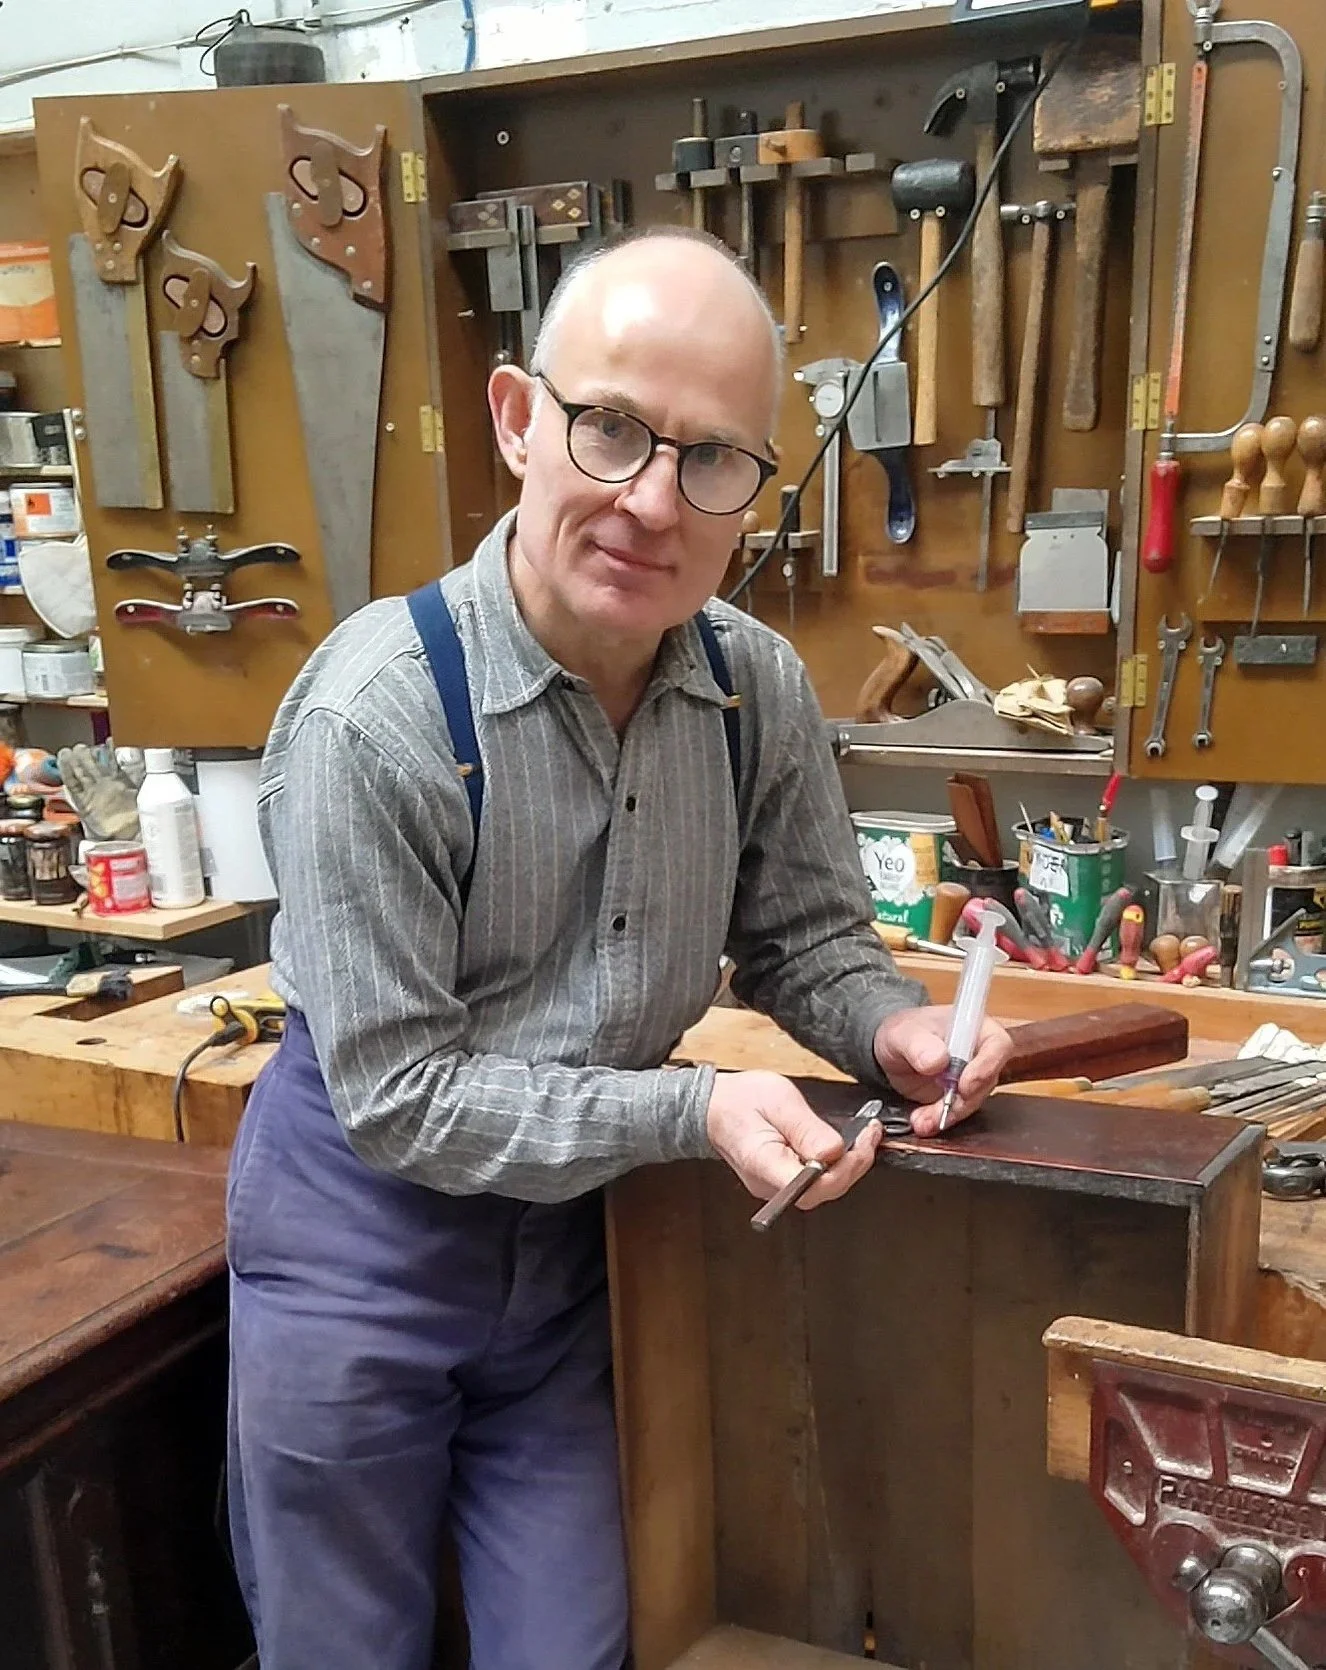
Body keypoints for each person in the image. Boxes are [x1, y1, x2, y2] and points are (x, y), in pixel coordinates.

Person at [226, 226, 1013, 1670]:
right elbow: (403, 1095)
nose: (653, 501)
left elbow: (806, 940)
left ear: (752, 493)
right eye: (612, 430)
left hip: (585, 1245)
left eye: (710, 458)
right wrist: (692, 1104)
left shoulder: (750, 683)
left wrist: (886, 1025)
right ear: (521, 420)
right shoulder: (375, 718)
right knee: (344, 1646)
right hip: (365, 1242)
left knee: (578, 1640)